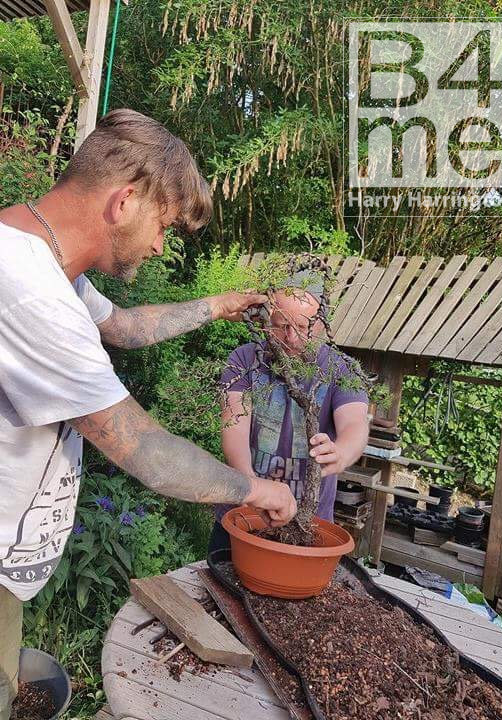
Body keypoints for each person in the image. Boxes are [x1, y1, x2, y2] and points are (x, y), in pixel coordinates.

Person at [0, 108, 296, 720]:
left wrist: (218, 305)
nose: (161, 246)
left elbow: (127, 328)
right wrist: (256, 488)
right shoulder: (26, 287)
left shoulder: (51, 266)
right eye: (162, 225)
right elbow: (149, 454)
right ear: (125, 200)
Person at [208, 273, 370, 554]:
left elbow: (355, 423)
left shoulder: (341, 370)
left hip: (308, 522)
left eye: (302, 327)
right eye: (281, 326)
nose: (291, 338)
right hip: (243, 513)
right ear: (267, 320)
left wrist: (342, 452)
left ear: (322, 322)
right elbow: (234, 423)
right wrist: (250, 485)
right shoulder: (246, 359)